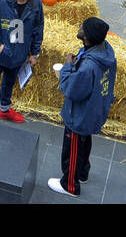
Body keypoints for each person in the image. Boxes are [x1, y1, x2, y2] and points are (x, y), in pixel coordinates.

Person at [48, 17, 116, 197]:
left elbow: (72, 90)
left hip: (80, 114)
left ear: (88, 37)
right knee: (84, 143)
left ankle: (70, 185)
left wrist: (67, 67)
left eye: (82, 28)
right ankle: (83, 172)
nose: (79, 27)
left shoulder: (89, 66)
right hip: (95, 109)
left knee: (72, 148)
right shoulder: (106, 52)